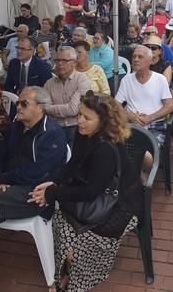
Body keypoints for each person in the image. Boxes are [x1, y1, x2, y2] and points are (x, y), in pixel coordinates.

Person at [28, 92, 141, 292]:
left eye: (87, 118)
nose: (79, 121)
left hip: (118, 206)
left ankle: (73, 274)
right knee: (61, 218)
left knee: (76, 232)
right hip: (97, 196)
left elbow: (91, 191)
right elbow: (73, 164)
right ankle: (69, 266)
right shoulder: (85, 135)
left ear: (103, 122)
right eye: (79, 115)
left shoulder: (105, 148)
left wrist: (54, 192)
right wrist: (53, 183)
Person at [0, 86, 67, 221]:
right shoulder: (16, 126)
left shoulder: (52, 133)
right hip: (9, 184)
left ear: (40, 107)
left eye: (24, 104)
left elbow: (40, 172)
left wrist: (4, 179)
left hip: (36, 192)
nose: (18, 107)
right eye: (17, 103)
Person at [115, 45, 173, 145]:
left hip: (155, 125)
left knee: (146, 152)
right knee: (119, 147)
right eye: (134, 57)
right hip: (131, 125)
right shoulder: (127, 80)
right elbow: (115, 104)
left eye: (140, 57)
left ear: (150, 61)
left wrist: (150, 118)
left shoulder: (160, 79)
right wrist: (130, 116)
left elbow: (169, 106)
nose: (136, 59)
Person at [43, 46, 91, 146]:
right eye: (57, 60)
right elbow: (43, 108)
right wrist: (48, 108)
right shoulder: (49, 83)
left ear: (74, 63)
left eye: (64, 60)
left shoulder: (82, 80)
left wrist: (50, 108)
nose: (60, 64)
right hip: (54, 127)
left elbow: (73, 109)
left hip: (76, 126)